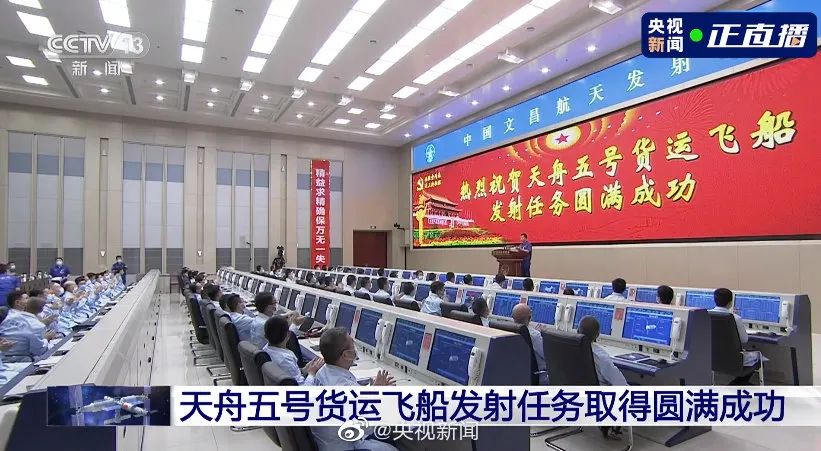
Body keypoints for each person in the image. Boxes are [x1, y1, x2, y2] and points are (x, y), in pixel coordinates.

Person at [311, 327, 398, 451]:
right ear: (345, 355)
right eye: (352, 344)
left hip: (326, 442)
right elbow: (367, 427)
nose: (355, 348)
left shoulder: (323, 372)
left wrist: (373, 390)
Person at [579, 315, 628, 440]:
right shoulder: (601, 357)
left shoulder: (570, 347)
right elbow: (621, 384)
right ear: (597, 335)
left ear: (577, 331)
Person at [710, 288, 760, 384]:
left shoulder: (706, 315)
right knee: (759, 356)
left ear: (714, 300)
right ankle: (737, 383)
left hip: (713, 359)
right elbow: (744, 340)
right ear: (730, 302)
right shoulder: (735, 318)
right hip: (733, 361)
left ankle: (737, 384)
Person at [262, 315, 323, 385]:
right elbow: (302, 389)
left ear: (265, 336)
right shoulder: (285, 359)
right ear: (288, 335)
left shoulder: (265, 350)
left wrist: (305, 370)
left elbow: (291, 374)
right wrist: (312, 373)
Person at [0, 296, 57, 361]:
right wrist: (46, 339)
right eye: (26, 298)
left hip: (4, 358)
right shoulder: (37, 325)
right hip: (23, 360)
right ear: (41, 310)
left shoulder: (10, 317)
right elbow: (39, 351)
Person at [512, 304, 547, 384]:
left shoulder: (509, 330)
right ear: (530, 318)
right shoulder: (535, 336)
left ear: (512, 317)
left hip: (519, 376)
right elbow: (547, 356)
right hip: (539, 377)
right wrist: (542, 334)